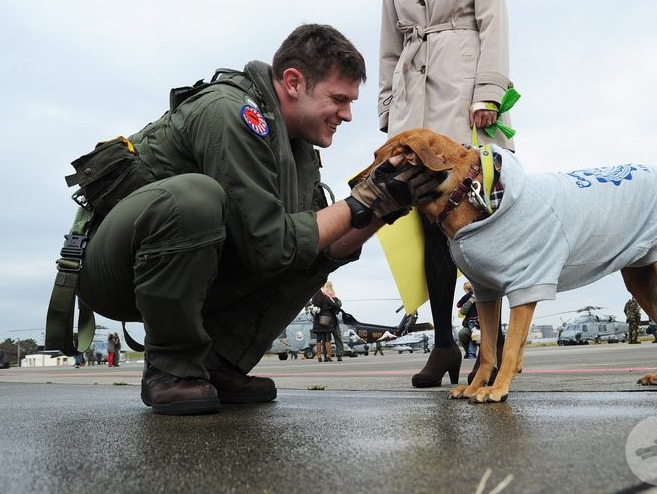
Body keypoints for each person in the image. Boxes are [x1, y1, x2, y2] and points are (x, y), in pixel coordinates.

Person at [68, 24, 442, 415]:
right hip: (113, 271)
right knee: (197, 198)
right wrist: (361, 198)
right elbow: (270, 247)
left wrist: (384, 206)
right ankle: (172, 370)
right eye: (339, 99)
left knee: (315, 237)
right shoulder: (231, 112)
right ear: (294, 82)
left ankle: (217, 363)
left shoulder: (299, 148)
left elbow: (320, 244)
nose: (347, 115)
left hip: (188, 272)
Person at [378, 0, 515, 388]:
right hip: (411, 104)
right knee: (427, 225)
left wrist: (489, 94)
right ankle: (442, 343)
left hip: (463, 98)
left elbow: (494, 23)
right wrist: (388, 113)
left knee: (475, 223)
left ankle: (492, 350)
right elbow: (389, 50)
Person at [311, 289, 339, 362]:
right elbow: (335, 305)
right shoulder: (326, 298)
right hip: (326, 320)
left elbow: (311, 311)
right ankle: (328, 356)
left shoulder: (314, 301)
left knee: (318, 338)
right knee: (327, 338)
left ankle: (319, 356)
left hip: (317, 321)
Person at [321, 280, 345, 360]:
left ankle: (326, 355)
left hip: (324, 318)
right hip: (334, 319)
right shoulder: (336, 299)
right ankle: (339, 354)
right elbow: (338, 307)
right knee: (338, 337)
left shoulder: (322, 298)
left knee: (325, 338)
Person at [456, 281, 478, 358]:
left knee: (474, 336)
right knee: (473, 335)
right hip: (479, 321)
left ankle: (471, 354)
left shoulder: (467, 296)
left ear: (465, 289)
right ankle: (470, 353)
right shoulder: (479, 294)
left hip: (471, 320)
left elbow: (458, 305)